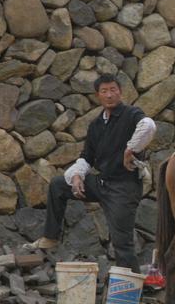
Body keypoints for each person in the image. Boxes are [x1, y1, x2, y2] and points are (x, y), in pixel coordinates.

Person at [27, 73, 156, 274]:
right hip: (100, 183)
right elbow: (87, 157)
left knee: (122, 243)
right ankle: (50, 237)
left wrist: (131, 149)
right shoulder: (96, 125)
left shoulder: (131, 114)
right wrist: (77, 176)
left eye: (113, 90)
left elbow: (148, 126)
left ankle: (130, 293)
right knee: (59, 185)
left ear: (120, 92)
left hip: (124, 188)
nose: (110, 95)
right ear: (98, 96)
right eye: (104, 91)